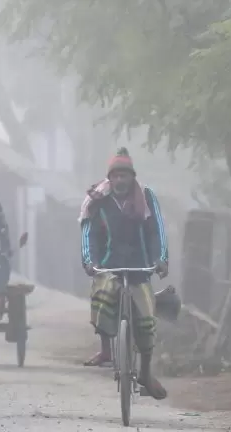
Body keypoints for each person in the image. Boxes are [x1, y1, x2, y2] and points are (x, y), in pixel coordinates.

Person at [79, 147, 170, 400]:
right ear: (110, 178)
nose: (120, 181)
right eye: (116, 176)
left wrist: (160, 259)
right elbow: (89, 233)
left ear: (132, 177)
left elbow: (157, 230)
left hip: (139, 266)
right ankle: (106, 349)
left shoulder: (146, 197)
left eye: (125, 176)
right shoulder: (97, 199)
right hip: (109, 265)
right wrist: (90, 261)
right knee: (103, 294)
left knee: (146, 316)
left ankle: (145, 372)